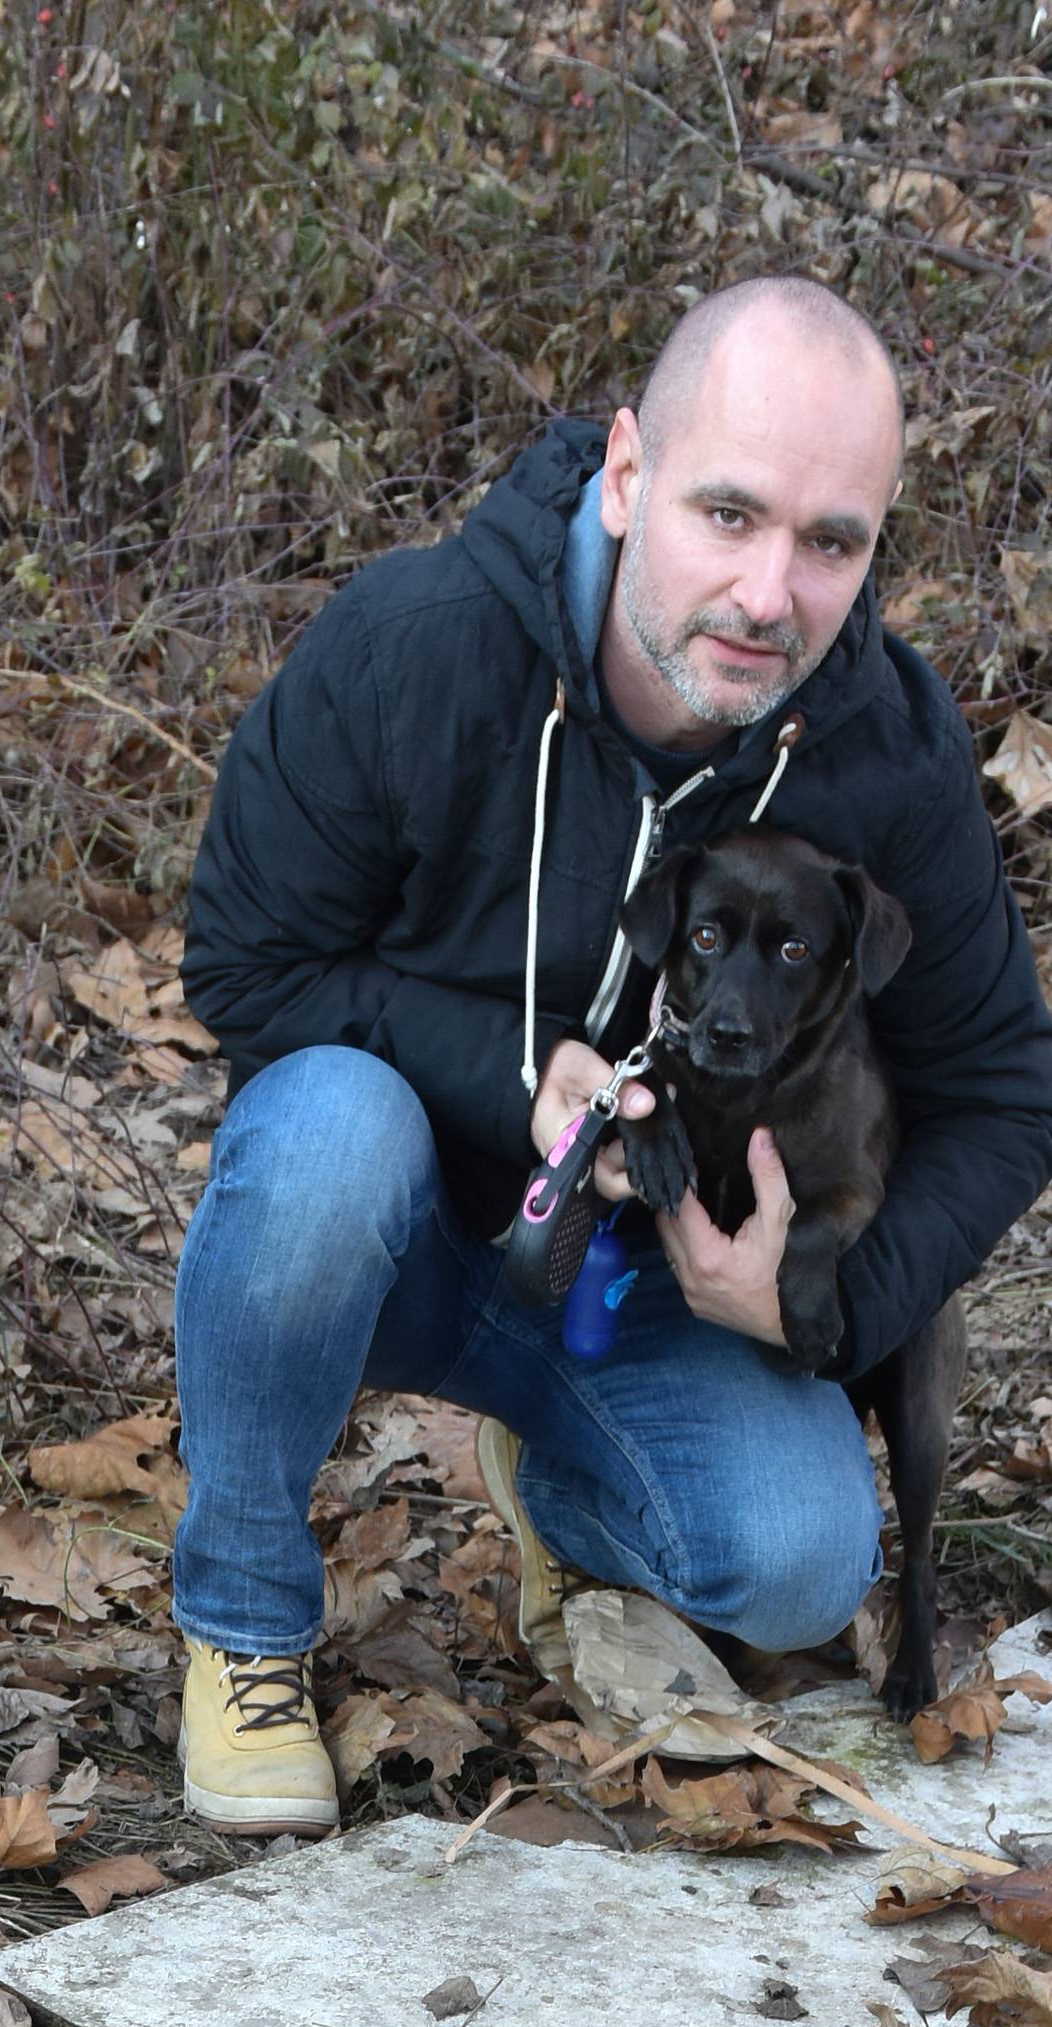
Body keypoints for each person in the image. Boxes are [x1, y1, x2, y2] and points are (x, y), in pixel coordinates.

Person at [171, 274, 1052, 1830]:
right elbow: (247, 964)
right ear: (630, 473)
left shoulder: (884, 753)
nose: (770, 593)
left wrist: (819, 1299)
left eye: (831, 541)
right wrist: (514, 1075)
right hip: (396, 1239)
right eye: (729, 513)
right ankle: (242, 1616)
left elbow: (1002, 1091)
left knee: (794, 1567)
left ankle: (565, 1497)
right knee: (321, 1135)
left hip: (633, 1285)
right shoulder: (418, 648)